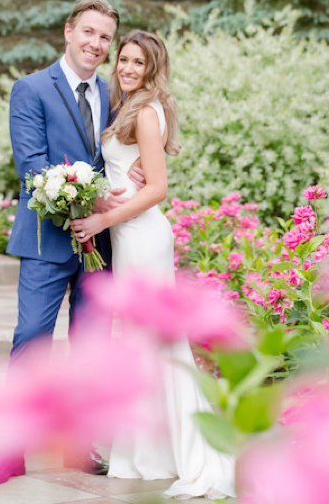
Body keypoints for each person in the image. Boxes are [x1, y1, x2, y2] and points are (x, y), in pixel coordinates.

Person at [71, 31, 236, 499]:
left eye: (137, 63)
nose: (126, 68)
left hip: (143, 237)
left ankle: (175, 451)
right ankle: (144, 452)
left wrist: (102, 216)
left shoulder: (144, 111)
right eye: (123, 59)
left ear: (151, 69)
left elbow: (157, 189)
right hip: (130, 237)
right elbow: (133, 173)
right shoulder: (130, 107)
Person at [0, 0, 125, 487]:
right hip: (46, 240)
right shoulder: (32, 89)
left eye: (105, 37)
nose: (96, 44)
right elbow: (32, 168)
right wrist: (91, 202)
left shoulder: (113, 95)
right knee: (31, 341)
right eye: (89, 32)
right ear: (68, 31)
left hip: (100, 246)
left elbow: (118, 159)